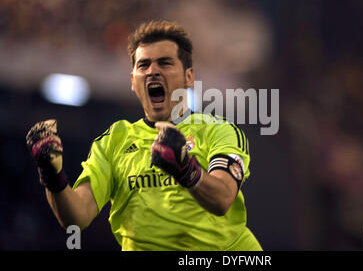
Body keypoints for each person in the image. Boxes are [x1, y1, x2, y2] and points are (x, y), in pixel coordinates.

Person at [25, 20, 262, 251]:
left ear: (189, 77)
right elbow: (77, 217)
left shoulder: (218, 130)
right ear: (132, 81)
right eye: (143, 65)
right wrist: (51, 175)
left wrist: (185, 169)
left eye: (165, 63)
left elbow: (222, 199)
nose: (153, 72)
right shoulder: (114, 140)